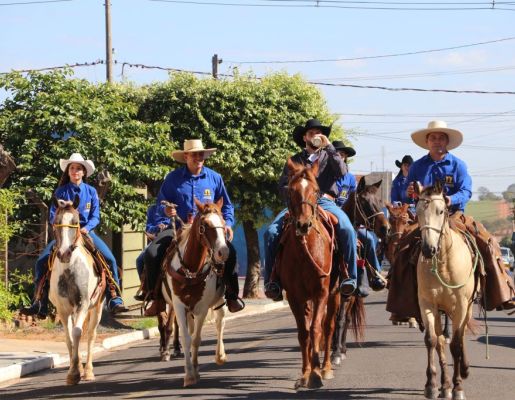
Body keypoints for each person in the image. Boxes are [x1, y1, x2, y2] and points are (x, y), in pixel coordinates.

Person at [393, 120, 515, 314]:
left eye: (441, 138)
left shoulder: (458, 165)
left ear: (447, 142)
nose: (437, 141)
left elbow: (466, 191)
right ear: (427, 141)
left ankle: (500, 291)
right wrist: (410, 192)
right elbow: (408, 194)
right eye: (433, 137)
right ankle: (401, 301)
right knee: (401, 248)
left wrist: (450, 199)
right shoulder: (417, 167)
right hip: (426, 218)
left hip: (454, 215)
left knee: (487, 243)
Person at [143, 139, 245, 313]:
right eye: (194, 154)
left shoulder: (215, 178)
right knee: (152, 253)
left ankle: (231, 295)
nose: (199, 157)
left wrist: (227, 224)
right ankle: (155, 297)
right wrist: (167, 210)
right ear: (186, 156)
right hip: (178, 227)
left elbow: (227, 205)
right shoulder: (172, 179)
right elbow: (161, 203)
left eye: (201, 154)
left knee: (231, 253)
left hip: (207, 230)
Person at [21, 153, 128, 318]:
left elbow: (95, 216)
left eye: (79, 168)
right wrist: (61, 214)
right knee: (42, 261)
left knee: (110, 259)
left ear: (84, 172)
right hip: (64, 233)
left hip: (85, 232)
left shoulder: (91, 191)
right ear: (68, 171)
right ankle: (39, 301)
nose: (75, 171)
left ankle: (114, 297)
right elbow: (52, 216)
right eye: (72, 168)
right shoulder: (60, 192)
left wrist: (87, 228)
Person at [264, 119, 359, 300]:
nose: (315, 135)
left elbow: (342, 172)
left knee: (347, 229)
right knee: (270, 232)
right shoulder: (293, 160)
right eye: (311, 133)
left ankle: (350, 277)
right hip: (298, 205)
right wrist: (296, 196)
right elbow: (282, 185)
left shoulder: (330, 156)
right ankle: (271, 281)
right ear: (304, 137)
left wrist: (330, 147)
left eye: (318, 133)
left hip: (325, 202)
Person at [332, 141, 385, 294]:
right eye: (337, 155)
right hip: (329, 214)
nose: (340, 158)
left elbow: (355, 200)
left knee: (368, 239)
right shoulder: (326, 175)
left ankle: (375, 275)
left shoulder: (349, 178)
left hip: (348, 218)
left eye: (342, 155)